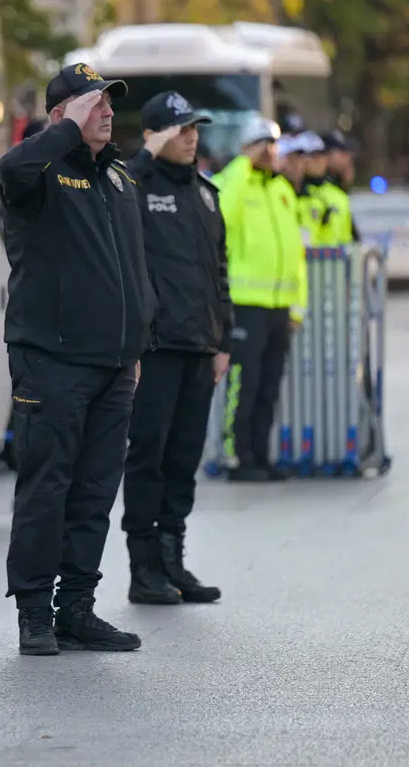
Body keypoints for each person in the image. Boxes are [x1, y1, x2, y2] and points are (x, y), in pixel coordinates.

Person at [0, 63, 155, 656]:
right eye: (95, 103)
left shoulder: (118, 176)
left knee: (94, 492)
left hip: (114, 364)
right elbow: (12, 167)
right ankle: (34, 613)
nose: (108, 111)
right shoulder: (39, 170)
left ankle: (78, 609)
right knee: (47, 488)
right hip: (52, 360)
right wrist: (64, 131)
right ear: (61, 116)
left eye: (111, 102)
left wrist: (139, 346)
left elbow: (136, 269)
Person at [121, 91, 226, 606]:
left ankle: (172, 560)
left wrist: (221, 340)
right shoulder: (134, 184)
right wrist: (146, 152)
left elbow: (218, 274)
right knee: (148, 457)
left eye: (194, 130)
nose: (190, 138)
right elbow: (117, 189)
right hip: (155, 348)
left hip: (198, 346)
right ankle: (144, 569)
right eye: (178, 131)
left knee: (184, 458)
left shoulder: (206, 193)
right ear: (152, 136)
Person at [211, 118, 306, 483]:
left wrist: (298, 305)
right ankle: (239, 456)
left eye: (273, 145)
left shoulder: (282, 190)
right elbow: (223, 215)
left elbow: (294, 252)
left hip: (279, 305)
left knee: (269, 384)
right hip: (246, 303)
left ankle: (261, 454)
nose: (269, 151)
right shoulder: (233, 182)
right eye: (261, 145)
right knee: (244, 383)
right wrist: (242, 165)